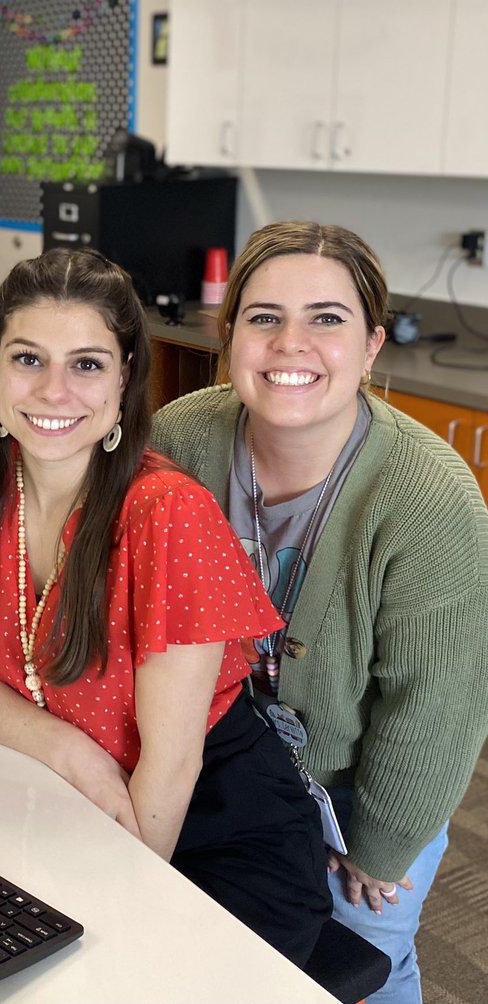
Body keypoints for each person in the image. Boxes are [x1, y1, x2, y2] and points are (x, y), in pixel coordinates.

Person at [0, 247, 331, 966]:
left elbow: (172, 761)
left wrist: (119, 913)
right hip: (60, 785)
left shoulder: (167, 516)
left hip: (207, 821)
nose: (54, 391)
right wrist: (69, 754)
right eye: (28, 359)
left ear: (125, 376)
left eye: (88, 364)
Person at [151, 221, 488, 1004]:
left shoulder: (428, 498)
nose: (289, 343)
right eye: (264, 317)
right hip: (219, 764)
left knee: (362, 966)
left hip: (356, 790)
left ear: (371, 345)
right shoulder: (180, 438)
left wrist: (382, 847)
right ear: (229, 334)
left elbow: (438, 708)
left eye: (326, 319)